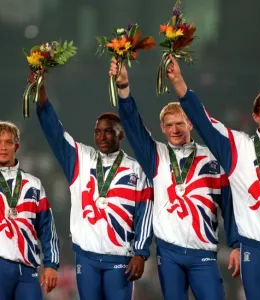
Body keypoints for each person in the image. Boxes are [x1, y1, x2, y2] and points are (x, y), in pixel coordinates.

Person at [166, 55, 260, 299]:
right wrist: (179, 83)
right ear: (255, 117)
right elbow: (203, 121)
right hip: (255, 248)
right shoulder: (237, 146)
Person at [109, 58, 240, 300]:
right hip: (169, 253)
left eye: (180, 123)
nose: (175, 129)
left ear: (190, 123)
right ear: (162, 128)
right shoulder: (156, 156)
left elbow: (230, 204)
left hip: (204, 252)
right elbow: (133, 126)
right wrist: (124, 87)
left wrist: (236, 244)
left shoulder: (212, 158)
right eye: (169, 125)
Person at [31, 72, 153, 300]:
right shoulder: (80, 158)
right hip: (86, 258)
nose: (102, 136)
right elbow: (55, 133)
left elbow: (145, 213)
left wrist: (141, 253)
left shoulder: (137, 170)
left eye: (108, 131)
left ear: (121, 134)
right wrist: (42, 99)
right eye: (98, 132)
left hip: (120, 258)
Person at [0, 121, 59, 300]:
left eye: (8, 142)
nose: (3, 147)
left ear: (16, 146)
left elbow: (47, 229)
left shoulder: (33, 184)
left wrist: (51, 264)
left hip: (27, 270)